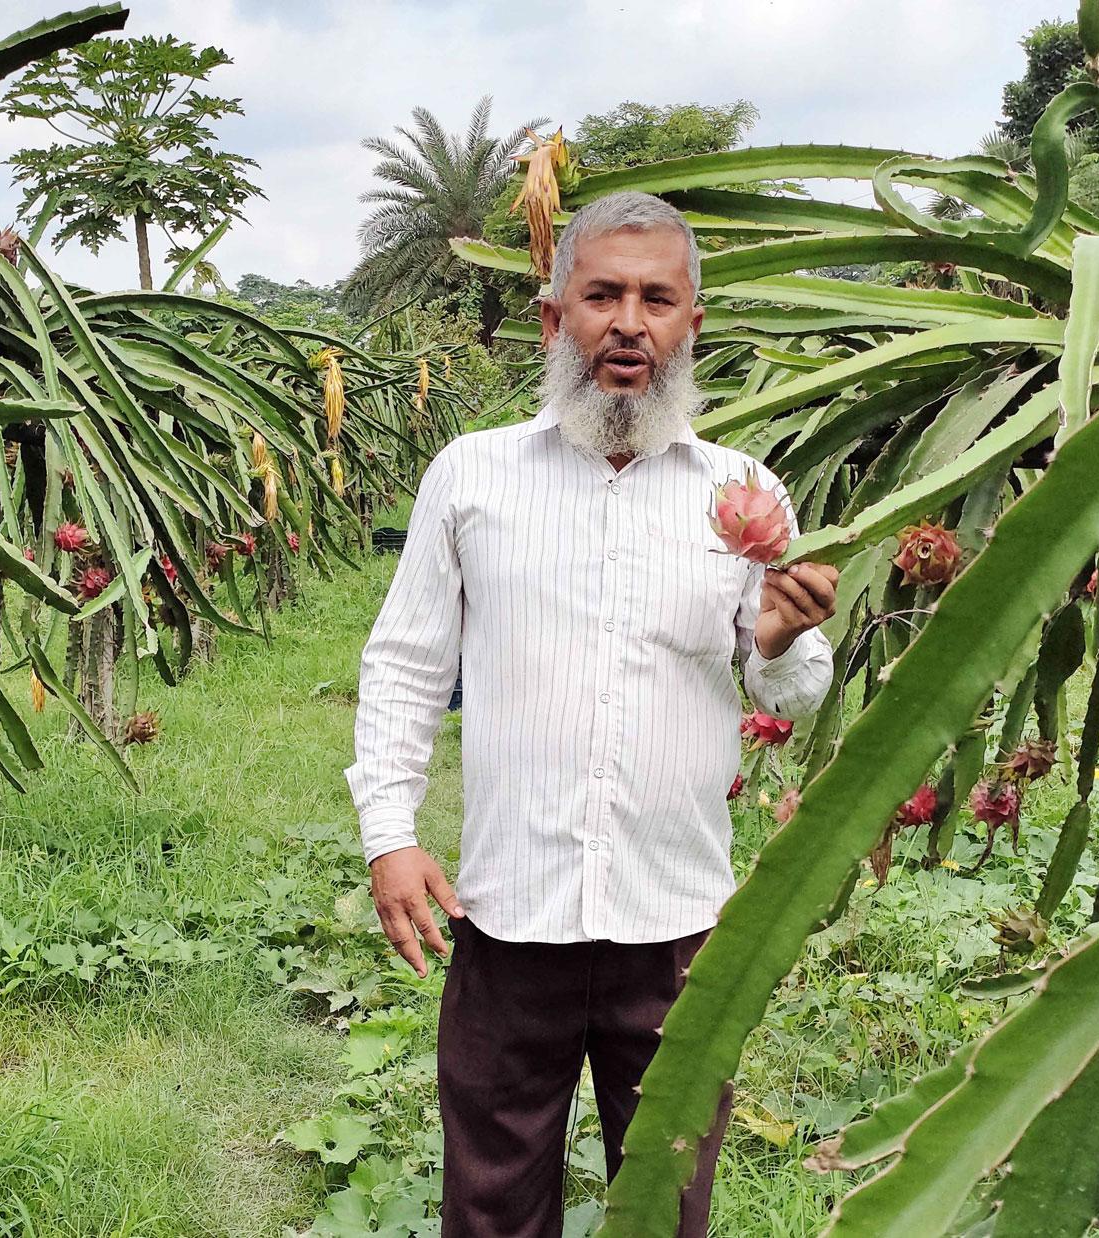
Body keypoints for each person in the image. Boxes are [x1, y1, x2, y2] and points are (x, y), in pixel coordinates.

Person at [345, 191, 840, 1237]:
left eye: (657, 299)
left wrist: (783, 641)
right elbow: (403, 663)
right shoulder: (471, 477)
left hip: (676, 920)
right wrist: (390, 835)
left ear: (690, 323)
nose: (629, 322)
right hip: (510, 910)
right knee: (490, 1195)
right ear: (552, 316)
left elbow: (790, 689)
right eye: (601, 295)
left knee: (664, 1197)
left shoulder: (744, 495)